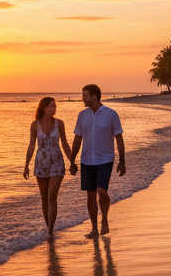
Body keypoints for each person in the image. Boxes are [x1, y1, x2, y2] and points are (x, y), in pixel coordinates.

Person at [69, 84, 125, 238]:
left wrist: (122, 161)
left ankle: (104, 219)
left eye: (85, 95)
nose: (83, 98)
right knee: (90, 195)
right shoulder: (82, 115)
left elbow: (119, 138)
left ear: (94, 96)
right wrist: (72, 160)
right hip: (87, 160)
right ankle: (94, 228)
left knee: (101, 191)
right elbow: (77, 139)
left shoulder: (111, 114)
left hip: (105, 159)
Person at [23, 97, 77, 237]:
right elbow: (31, 146)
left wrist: (72, 161)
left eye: (55, 106)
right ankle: (49, 229)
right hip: (41, 163)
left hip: (57, 162)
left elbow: (64, 143)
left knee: (52, 196)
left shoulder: (59, 124)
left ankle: (51, 230)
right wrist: (26, 165)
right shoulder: (35, 125)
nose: (55, 108)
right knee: (44, 198)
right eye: (52, 106)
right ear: (44, 108)